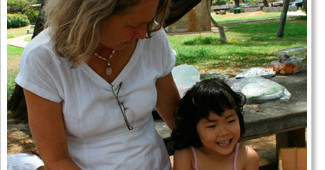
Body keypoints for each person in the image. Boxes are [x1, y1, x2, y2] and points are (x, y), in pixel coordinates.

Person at [15, 0, 180, 169]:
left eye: (148, 21)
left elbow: (178, 121)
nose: (143, 33)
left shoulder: (152, 37)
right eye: (132, 25)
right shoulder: (43, 58)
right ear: (91, 18)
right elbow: (57, 160)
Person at [171, 79, 259, 170]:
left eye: (231, 121)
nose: (224, 132)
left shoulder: (247, 157)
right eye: (212, 126)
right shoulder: (186, 156)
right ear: (193, 128)